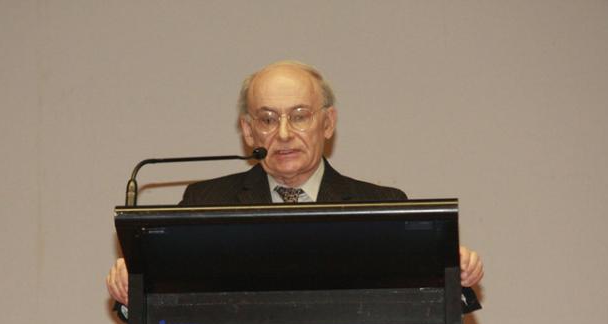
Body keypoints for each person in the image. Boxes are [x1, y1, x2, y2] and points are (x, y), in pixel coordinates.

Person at [106, 60, 484, 308]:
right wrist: (132, 285)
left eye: (300, 116)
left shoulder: (379, 204)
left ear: (328, 123)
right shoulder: (206, 200)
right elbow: (167, 301)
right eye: (268, 119)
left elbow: (422, 304)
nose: (284, 134)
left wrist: (455, 272)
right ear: (248, 129)